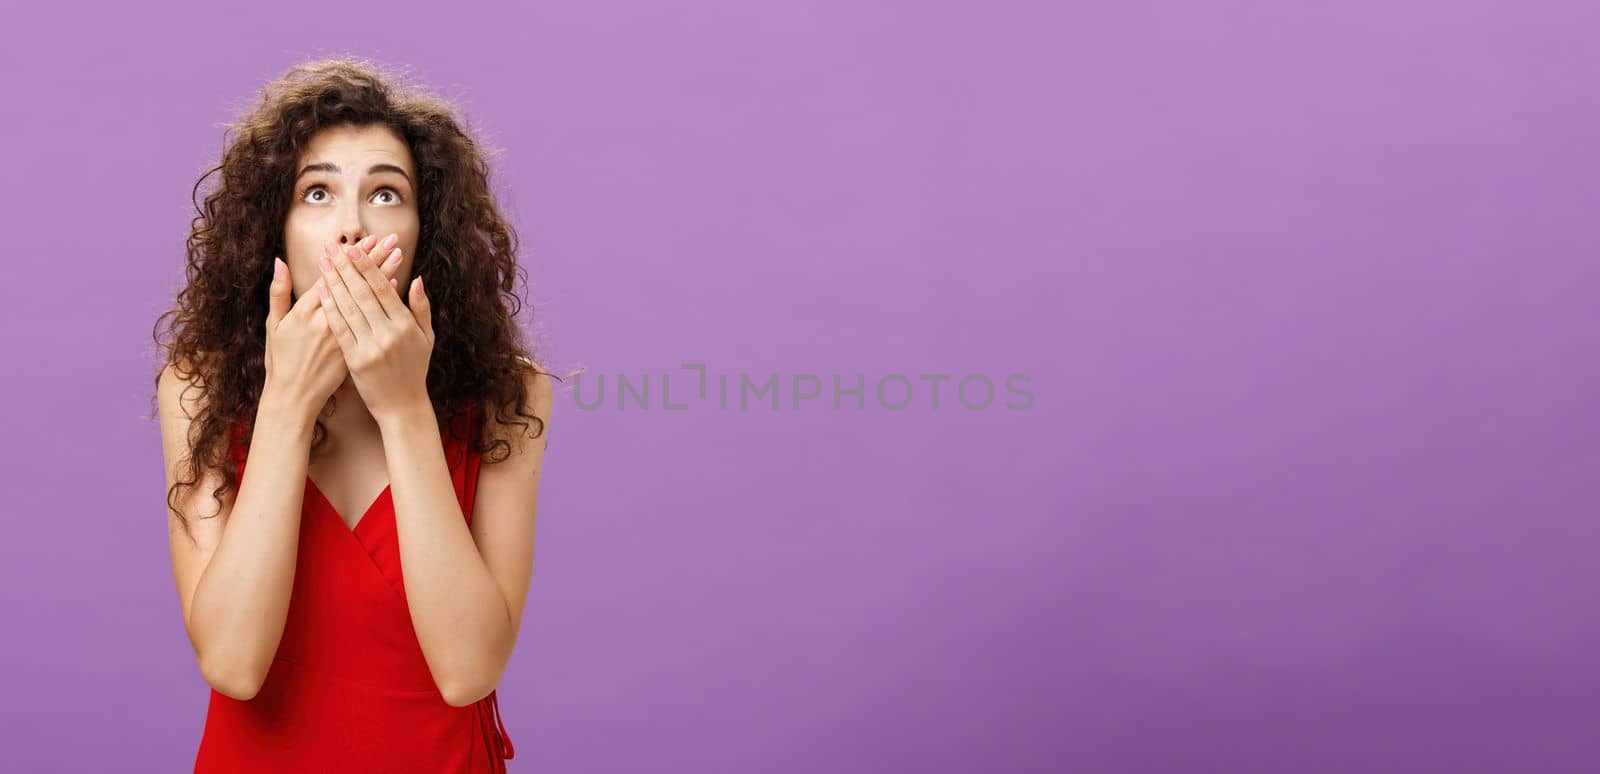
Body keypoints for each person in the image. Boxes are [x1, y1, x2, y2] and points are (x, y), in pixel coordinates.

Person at [149, 56, 554, 772]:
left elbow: (468, 671)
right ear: (274, 229)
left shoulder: (507, 397)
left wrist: (404, 410)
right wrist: (286, 403)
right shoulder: (198, 387)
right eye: (317, 194)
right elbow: (234, 664)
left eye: (388, 194)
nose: (352, 227)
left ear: (427, 231)